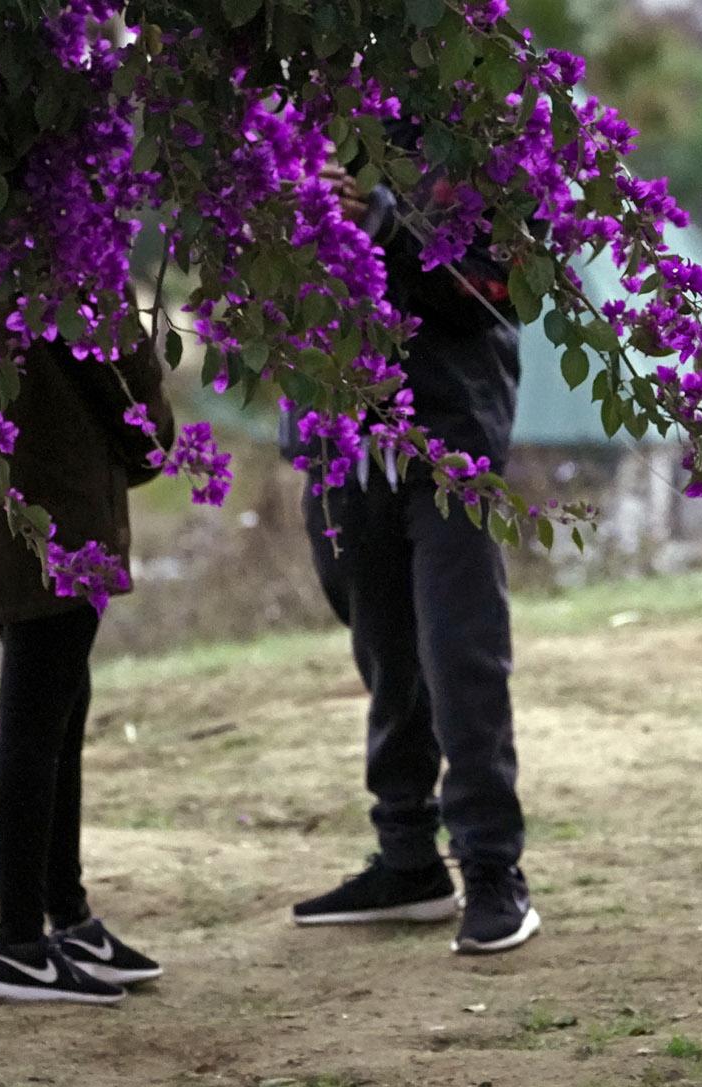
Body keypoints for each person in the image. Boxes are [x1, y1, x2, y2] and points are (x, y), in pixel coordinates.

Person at [0, 238, 171, 1004]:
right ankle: (17, 943)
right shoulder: (44, 230)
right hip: (53, 499)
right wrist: (151, 441)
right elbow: (113, 360)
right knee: (37, 721)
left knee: (57, 704)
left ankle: (66, 919)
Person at [285, 152, 539, 955]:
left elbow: (504, 293)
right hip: (339, 445)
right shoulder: (293, 123)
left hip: (446, 439)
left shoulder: (470, 130)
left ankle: (492, 870)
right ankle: (407, 859)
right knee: (385, 651)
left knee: (459, 653)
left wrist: (385, 224)